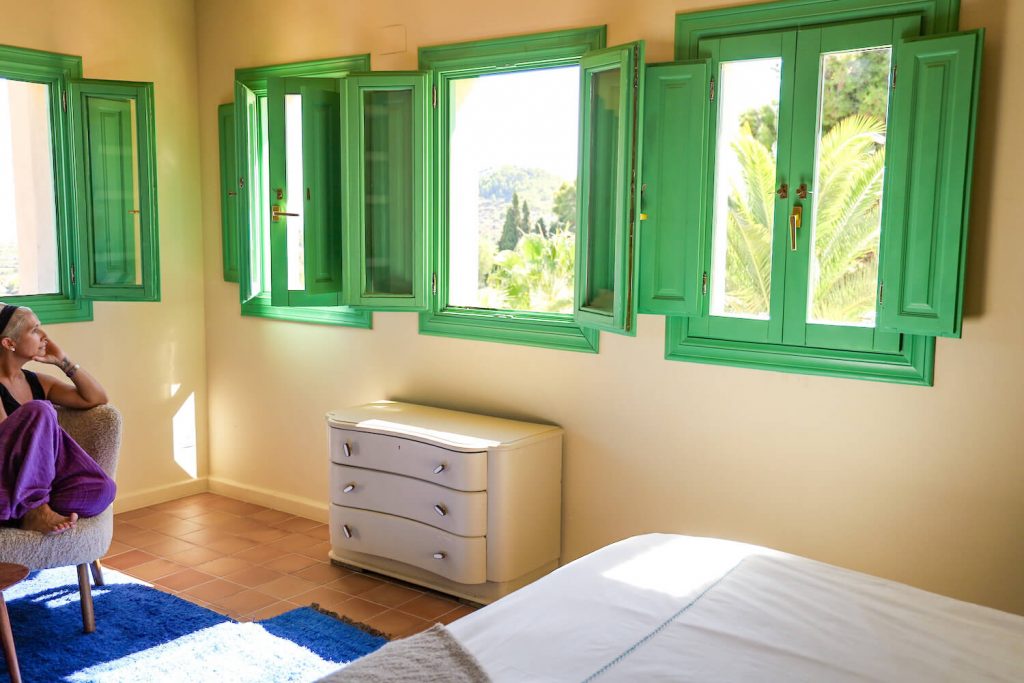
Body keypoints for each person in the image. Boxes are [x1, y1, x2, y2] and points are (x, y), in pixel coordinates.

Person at [0, 303, 114, 535]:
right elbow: (4, 449)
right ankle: (35, 509)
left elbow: (96, 398)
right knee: (41, 411)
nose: (45, 337)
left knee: (101, 490)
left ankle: (24, 512)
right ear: (9, 343)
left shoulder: (36, 382)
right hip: (4, 483)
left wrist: (63, 361)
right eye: (34, 330)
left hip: (32, 487)